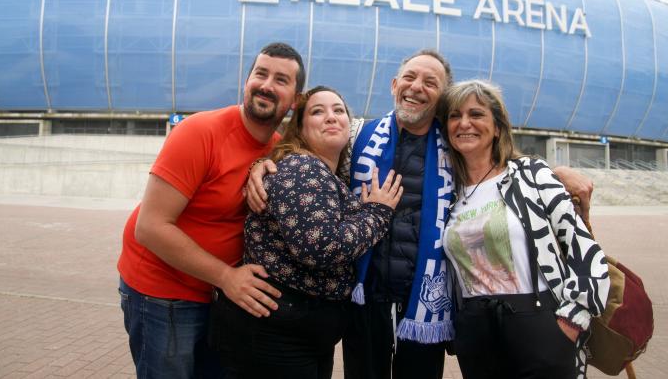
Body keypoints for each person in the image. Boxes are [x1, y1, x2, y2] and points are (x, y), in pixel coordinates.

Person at [246, 49, 596, 379]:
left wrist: (554, 172)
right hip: (364, 297)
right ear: (394, 85)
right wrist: (263, 164)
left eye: (430, 82)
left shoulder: (456, 144)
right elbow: (309, 149)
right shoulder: (358, 135)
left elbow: (496, 164)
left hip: (427, 300)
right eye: (409, 78)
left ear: (442, 97)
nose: (416, 87)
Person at [116, 42, 305, 379]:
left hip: (218, 298)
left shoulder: (277, 152)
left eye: (281, 79)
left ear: (295, 99)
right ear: (245, 82)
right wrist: (227, 277)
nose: (266, 84)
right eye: (260, 74)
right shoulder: (200, 132)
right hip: (162, 296)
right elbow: (151, 226)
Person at [212, 86, 403, 379]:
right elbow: (320, 248)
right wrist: (378, 213)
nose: (331, 117)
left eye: (338, 110)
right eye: (318, 111)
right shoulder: (303, 168)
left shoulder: (325, 173)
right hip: (275, 334)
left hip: (297, 332)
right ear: (300, 129)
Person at [439, 79, 609, 379]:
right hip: (476, 332)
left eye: (476, 114)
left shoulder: (532, 175)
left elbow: (582, 248)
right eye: (455, 115)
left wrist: (569, 323)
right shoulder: (448, 192)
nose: (464, 123)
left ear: (498, 127)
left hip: (538, 322)